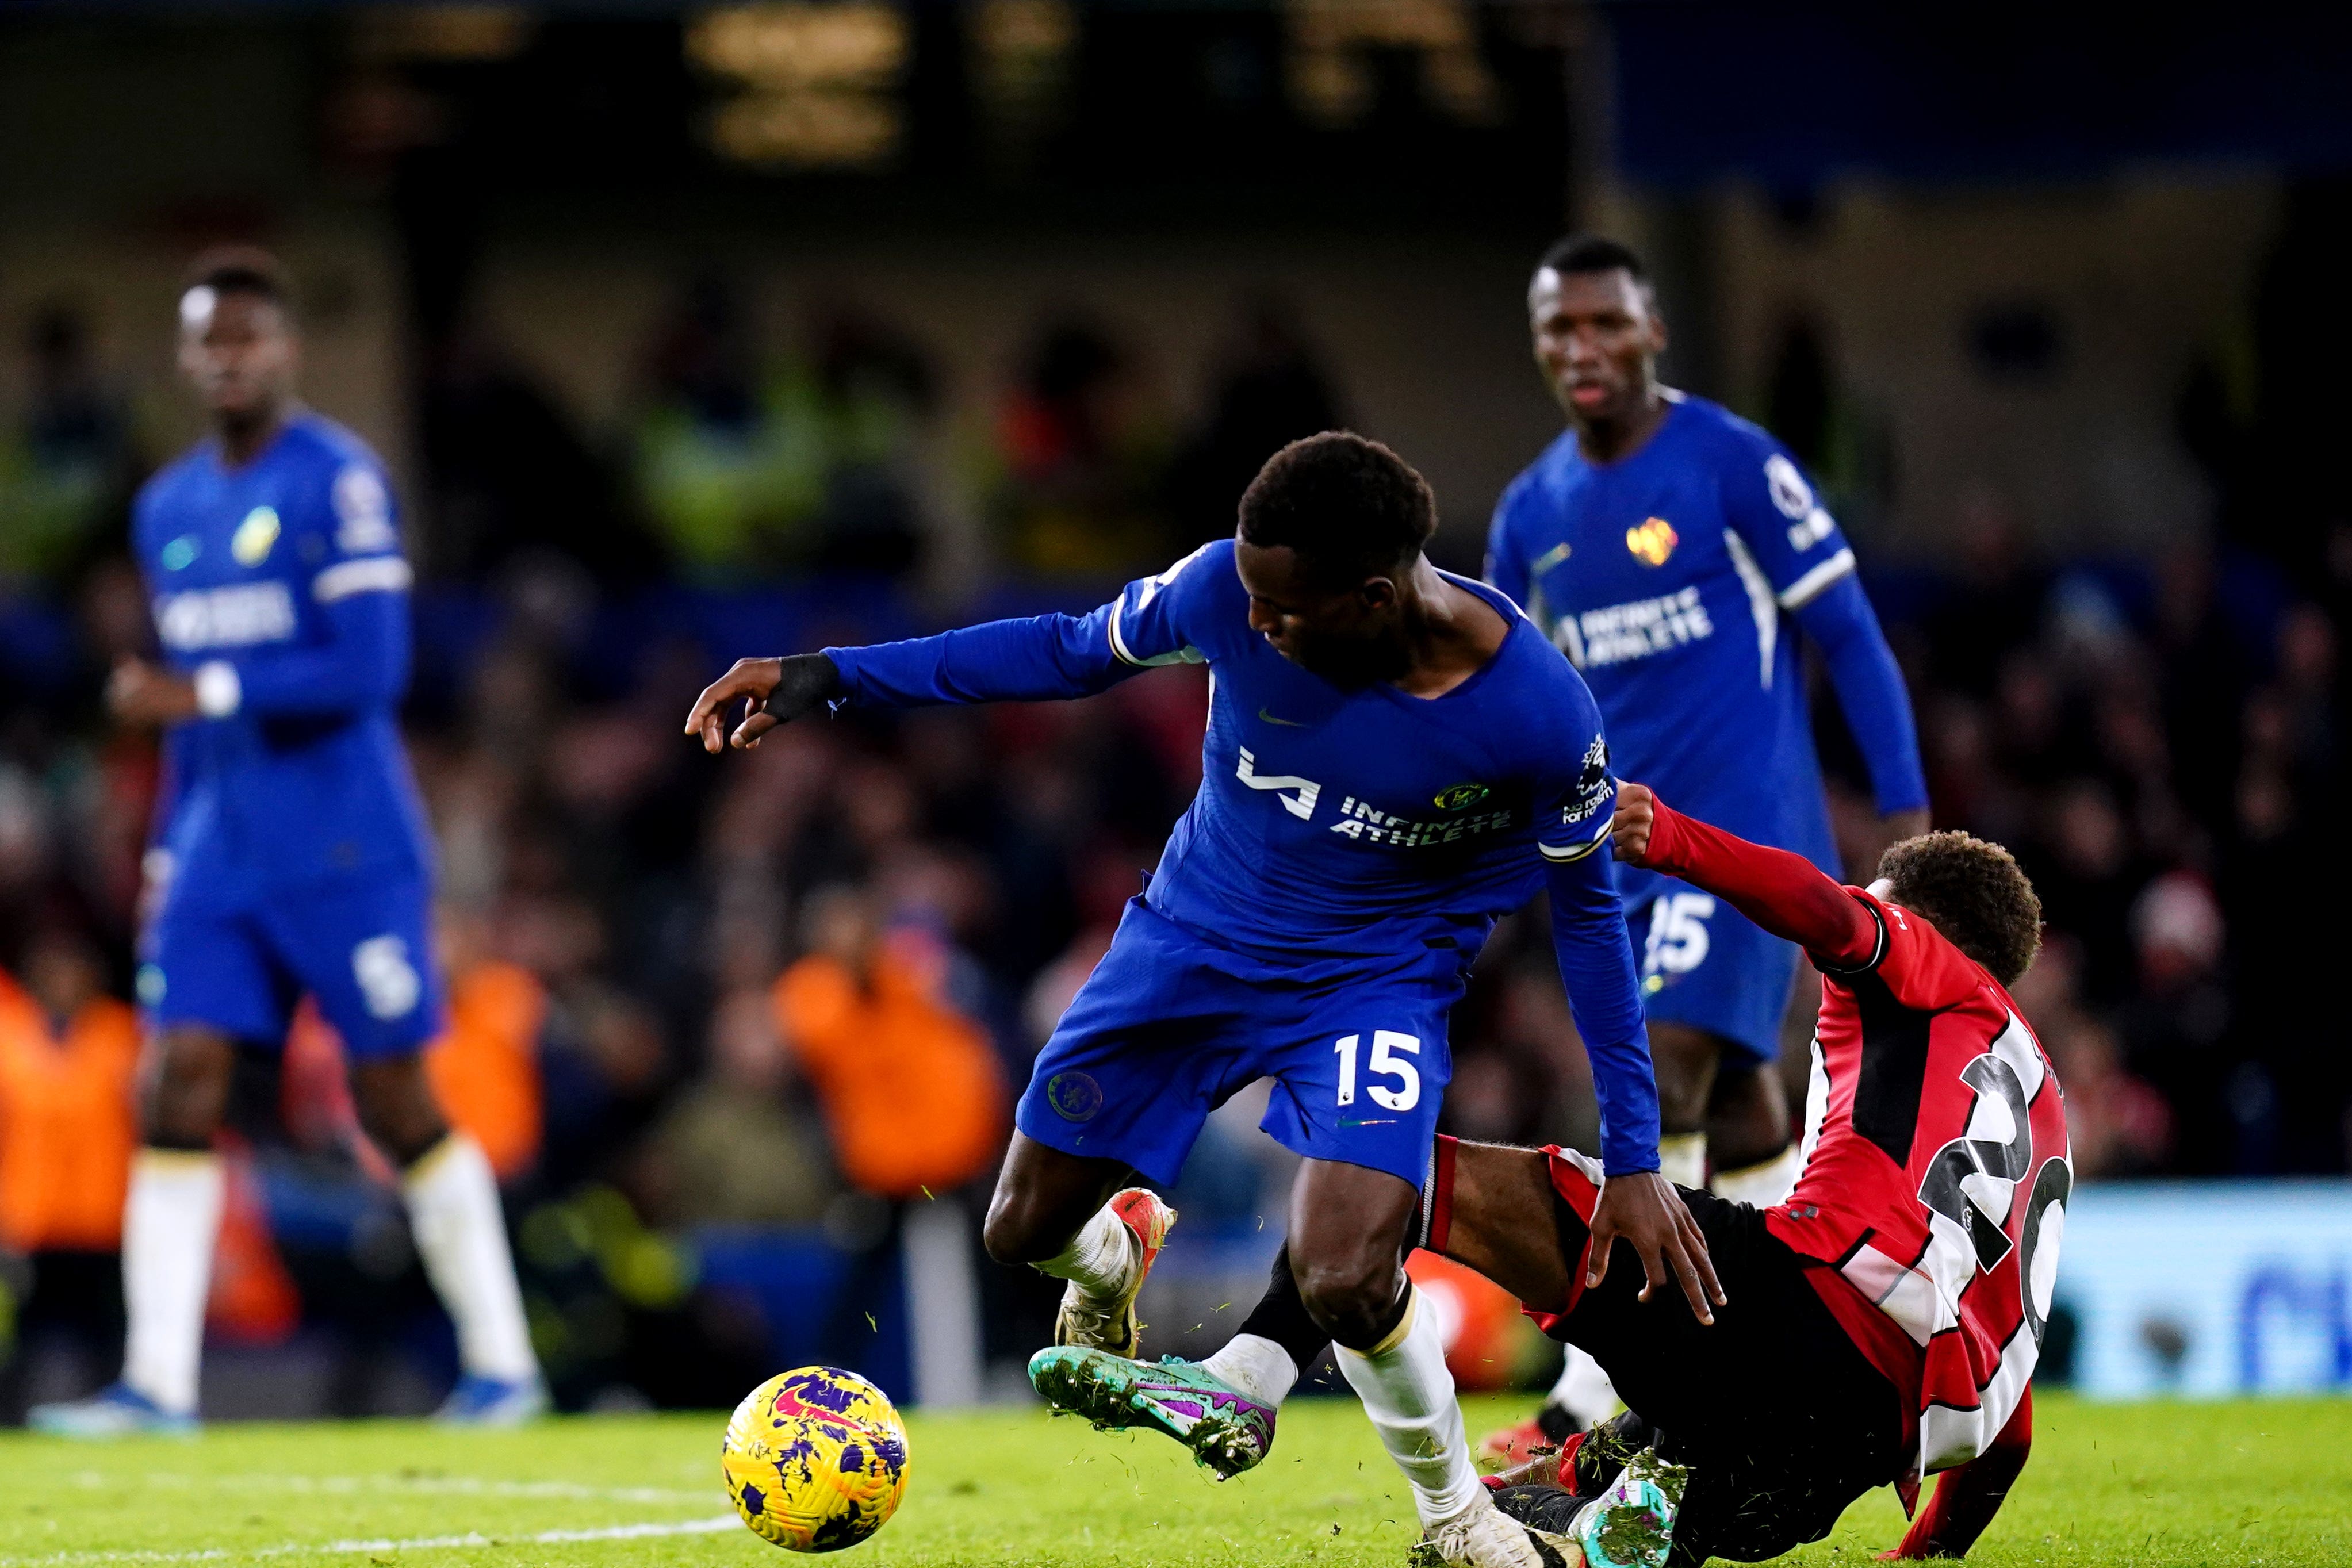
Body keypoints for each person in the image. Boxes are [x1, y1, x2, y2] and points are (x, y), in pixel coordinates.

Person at [688, 432, 1718, 1568]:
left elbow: (1588, 917)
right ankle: (1115, 1253)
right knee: (1021, 1228)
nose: (1255, 625)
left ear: (1374, 596)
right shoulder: (1223, 591)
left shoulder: (1535, 712)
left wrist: (1633, 1153)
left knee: (1345, 1264)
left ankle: (1457, 1518)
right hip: (1189, 946)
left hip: (1373, 976)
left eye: (1283, 609)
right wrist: (829, 673)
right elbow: (1063, 649)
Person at [1043, 783, 2063, 1566]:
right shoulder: (2040, 1107)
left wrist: (1667, 836)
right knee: (1542, 1511)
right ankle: (1612, 1511)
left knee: (1382, 1167)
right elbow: (2006, 1439)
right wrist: (1925, 1552)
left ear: (1923, 924)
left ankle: (1246, 1382)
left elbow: (1823, 913)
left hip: (1792, 1313)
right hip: (1857, 1442)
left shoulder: (1924, 967)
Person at [30, 250, 543, 1436]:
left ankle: (503, 1361)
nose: (228, 360)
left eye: (247, 338)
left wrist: (201, 689)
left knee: (393, 1091)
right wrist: (166, 851)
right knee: (173, 1078)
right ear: (184, 354)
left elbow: (371, 668)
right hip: (219, 843)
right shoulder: (168, 506)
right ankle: (156, 1382)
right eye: (208, 341)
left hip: (345, 844)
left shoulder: (340, 481)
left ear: (286, 348)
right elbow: (192, 725)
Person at [1483, 234, 1928, 1447]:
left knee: (1654, 1067)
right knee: (1737, 1116)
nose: (1581, 348)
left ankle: (1608, 1387)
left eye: (1603, 323)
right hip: (1603, 855)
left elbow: (1848, 634)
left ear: (1651, 330)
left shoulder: (1731, 462)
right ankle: (1789, 1355)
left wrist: (1903, 821)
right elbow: (1505, 695)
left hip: (1734, 839)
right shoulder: (1530, 513)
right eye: (1557, 327)